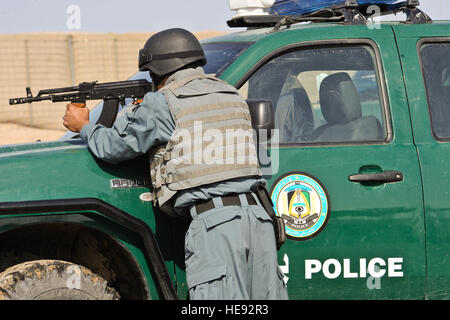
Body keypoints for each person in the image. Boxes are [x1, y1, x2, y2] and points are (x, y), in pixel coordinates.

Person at [63, 28, 288, 300]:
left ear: (159, 70)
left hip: (216, 226)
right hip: (259, 220)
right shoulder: (230, 94)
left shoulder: (163, 103)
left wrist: (85, 126)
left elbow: (113, 147)